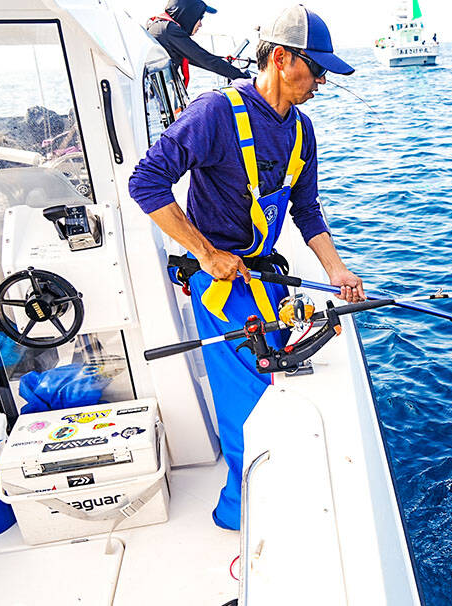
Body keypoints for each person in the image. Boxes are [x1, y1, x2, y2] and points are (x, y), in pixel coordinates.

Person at [129, 5, 364, 530]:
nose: (322, 81)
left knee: (281, 383)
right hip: (218, 284)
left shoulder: (302, 130)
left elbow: (307, 211)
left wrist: (338, 271)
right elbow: (145, 182)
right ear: (281, 59)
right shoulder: (214, 112)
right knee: (250, 402)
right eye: (316, 68)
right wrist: (207, 254)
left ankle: (279, 484)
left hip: (266, 279)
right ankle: (243, 513)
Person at [146, 0, 246, 88]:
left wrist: (224, 63)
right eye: (200, 17)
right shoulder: (168, 30)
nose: (200, 24)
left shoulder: (160, 26)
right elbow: (205, 60)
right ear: (189, 15)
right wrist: (244, 79)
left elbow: (199, 58)